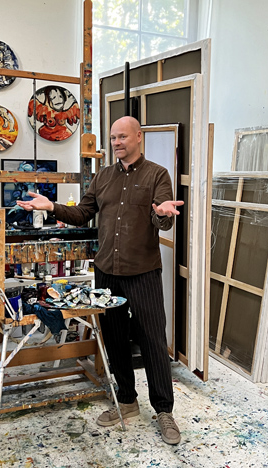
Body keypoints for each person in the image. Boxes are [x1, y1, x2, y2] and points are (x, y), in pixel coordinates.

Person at [16, 116, 184, 445]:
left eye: (123, 137)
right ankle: (127, 400)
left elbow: (162, 220)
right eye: (113, 137)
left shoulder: (157, 175)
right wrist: (52, 207)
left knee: (152, 340)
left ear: (138, 137)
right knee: (115, 339)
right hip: (107, 271)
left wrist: (162, 214)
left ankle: (164, 410)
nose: (117, 142)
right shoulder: (103, 176)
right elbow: (82, 213)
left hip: (143, 272)